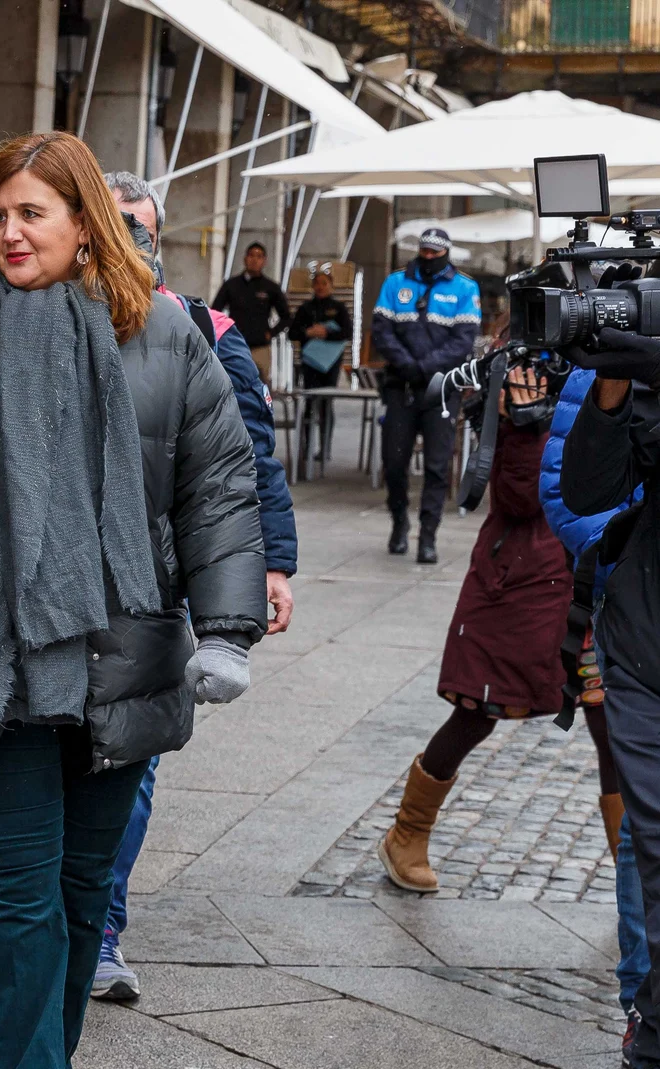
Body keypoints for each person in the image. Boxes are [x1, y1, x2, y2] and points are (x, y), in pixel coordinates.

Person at [0, 132, 265, 1066]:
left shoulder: (166, 335)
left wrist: (228, 628)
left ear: (86, 224)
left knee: (73, 895)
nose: (12, 232)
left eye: (33, 213)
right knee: (7, 898)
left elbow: (218, 486)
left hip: (120, 658)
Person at [96, 170, 296, 1004]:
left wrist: (270, 564)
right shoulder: (41, 315)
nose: (129, 244)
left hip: (159, 579)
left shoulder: (206, 331)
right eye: (115, 228)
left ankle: (100, 930)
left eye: (140, 229)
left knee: (132, 758)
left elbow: (249, 459)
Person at [378, 357, 621, 899]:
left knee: (614, 731)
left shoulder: (617, 363)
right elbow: (516, 497)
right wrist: (529, 421)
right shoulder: (522, 373)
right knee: (478, 712)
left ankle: (636, 884)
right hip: (524, 580)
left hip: (600, 583)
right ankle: (407, 833)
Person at [556, 325, 660, 1068]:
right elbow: (578, 491)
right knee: (652, 841)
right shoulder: (627, 325)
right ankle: (645, 1014)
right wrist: (615, 387)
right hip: (645, 642)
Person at [540, 364, 644, 1061]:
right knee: (645, 816)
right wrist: (640, 544)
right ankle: (646, 996)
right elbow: (564, 496)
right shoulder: (620, 341)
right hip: (635, 613)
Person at [371, 226, 481, 564]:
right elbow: (381, 331)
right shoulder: (395, 283)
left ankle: (428, 536)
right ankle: (400, 522)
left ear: (446, 252)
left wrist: (427, 367)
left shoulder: (465, 287)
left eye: (436, 252)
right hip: (400, 386)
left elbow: (463, 341)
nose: (429, 257)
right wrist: (409, 365)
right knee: (393, 462)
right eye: (425, 251)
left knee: (437, 467)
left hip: (442, 391)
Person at [286, 267, 354, 469]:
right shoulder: (305, 308)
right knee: (309, 404)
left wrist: (326, 333)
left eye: (325, 283)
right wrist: (309, 332)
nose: (320, 287)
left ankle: (325, 448)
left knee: (326, 404)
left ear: (331, 286)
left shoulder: (338, 308)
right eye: (317, 283)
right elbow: (293, 333)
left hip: (330, 362)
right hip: (310, 362)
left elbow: (347, 332)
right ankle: (306, 448)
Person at [212, 242, 291, 373]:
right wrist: (223, 334)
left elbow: (286, 317)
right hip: (234, 346)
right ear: (245, 259)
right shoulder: (232, 285)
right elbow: (215, 312)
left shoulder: (270, 287)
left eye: (259, 256)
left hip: (260, 347)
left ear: (264, 261)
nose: (254, 260)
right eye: (251, 255)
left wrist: (270, 333)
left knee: (259, 386)